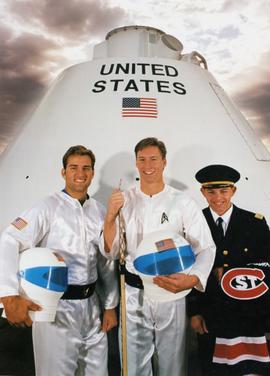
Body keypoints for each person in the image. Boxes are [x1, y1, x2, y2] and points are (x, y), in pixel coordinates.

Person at [101, 137, 215, 376]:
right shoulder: (124, 200)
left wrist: (193, 279)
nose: (147, 165)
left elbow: (205, 247)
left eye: (153, 159)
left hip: (172, 290)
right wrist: (110, 216)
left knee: (172, 363)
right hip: (133, 293)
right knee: (132, 364)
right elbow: (110, 251)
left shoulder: (183, 202)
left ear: (164, 162)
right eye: (142, 159)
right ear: (136, 163)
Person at [0, 145, 119, 376]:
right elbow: (9, 240)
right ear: (63, 172)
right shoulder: (47, 207)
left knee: (98, 372)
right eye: (73, 167)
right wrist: (9, 295)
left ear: (93, 173)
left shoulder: (99, 210)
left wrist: (110, 305)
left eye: (86, 168)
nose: (80, 173)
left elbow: (106, 263)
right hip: (55, 308)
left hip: (92, 307)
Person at [188, 164, 270, 376]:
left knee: (250, 369)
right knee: (212, 366)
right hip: (210, 313)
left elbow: (266, 268)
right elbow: (188, 271)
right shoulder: (193, 223)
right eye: (211, 192)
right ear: (202, 192)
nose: (217, 198)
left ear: (233, 191)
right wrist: (194, 312)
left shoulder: (255, 223)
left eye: (224, 191)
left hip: (247, 313)